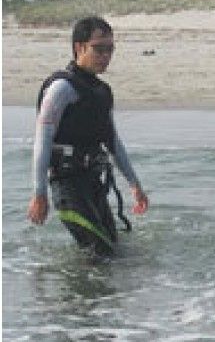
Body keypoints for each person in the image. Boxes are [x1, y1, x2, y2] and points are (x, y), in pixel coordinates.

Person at [27, 16, 149, 255]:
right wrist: (39, 194)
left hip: (93, 182)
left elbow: (113, 141)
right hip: (67, 185)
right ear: (79, 47)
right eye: (98, 49)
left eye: (110, 49)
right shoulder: (61, 89)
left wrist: (134, 184)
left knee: (112, 251)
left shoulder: (102, 92)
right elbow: (42, 141)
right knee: (99, 253)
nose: (106, 55)